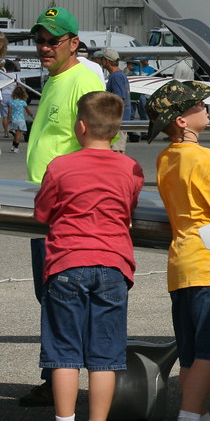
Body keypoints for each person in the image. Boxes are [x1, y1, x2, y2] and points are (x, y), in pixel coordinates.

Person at [33, 91, 144, 421]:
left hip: (67, 262)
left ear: (80, 126)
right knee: (105, 356)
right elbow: (129, 207)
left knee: (64, 353)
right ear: (115, 130)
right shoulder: (130, 168)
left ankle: (64, 418)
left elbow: (42, 213)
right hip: (113, 264)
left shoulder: (61, 166)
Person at [146, 80, 210, 420]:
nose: (205, 108)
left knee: (191, 353)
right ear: (181, 120)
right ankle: (189, 415)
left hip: (181, 265)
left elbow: (192, 202)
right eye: (197, 105)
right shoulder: (207, 158)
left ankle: (197, 412)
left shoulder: (166, 159)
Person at [20, 6, 106, 408]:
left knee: (64, 295)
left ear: (74, 42)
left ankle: (66, 379)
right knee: (51, 294)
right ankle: (59, 375)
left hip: (66, 209)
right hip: (44, 203)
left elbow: (102, 139)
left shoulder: (83, 78)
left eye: (52, 40)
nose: (43, 48)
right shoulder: (57, 78)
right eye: (39, 40)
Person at [96, 49, 131, 153]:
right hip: (121, 119)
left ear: (107, 61)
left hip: (118, 120)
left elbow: (118, 99)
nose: (101, 62)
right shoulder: (119, 75)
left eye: (102, 59)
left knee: (117, 150)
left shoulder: (116, 77)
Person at [9, 84, 33, 153]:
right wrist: (32, 116)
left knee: (16, 133)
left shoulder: (12, 102)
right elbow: (28, 111)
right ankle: (16, 147)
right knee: (19, 134)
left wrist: (9, 119)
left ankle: (13, 146)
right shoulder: (23, 102)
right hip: (21, 120)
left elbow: (9, 112)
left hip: (14, 119)